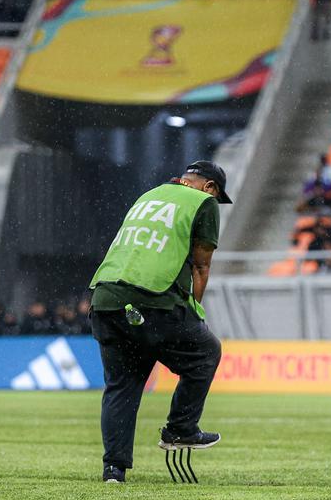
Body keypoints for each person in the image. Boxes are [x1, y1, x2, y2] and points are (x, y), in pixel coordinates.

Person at [88, 160, 227, 483]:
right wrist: (194, 312)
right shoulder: (203, 202)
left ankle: (114, 469)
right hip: (153, 299)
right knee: (206, 354)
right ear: (209, 187)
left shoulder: (148, 196)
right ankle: (180, 430)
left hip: (105, 298)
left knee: (122, 386)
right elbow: (201, 267)